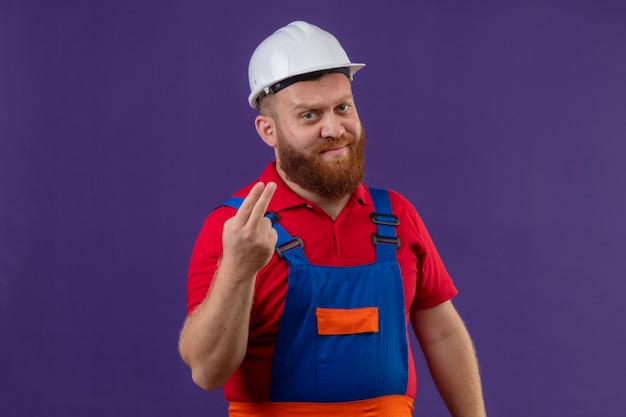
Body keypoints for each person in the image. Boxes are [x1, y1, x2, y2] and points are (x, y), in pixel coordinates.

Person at [178, 20, 486, 417]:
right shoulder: (236, 228)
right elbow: (206, 371)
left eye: (342, 108)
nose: (334, 128)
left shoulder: (395, 217)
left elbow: (443, 334)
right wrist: (239, 267)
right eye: (309, 115)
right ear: (268, 130)